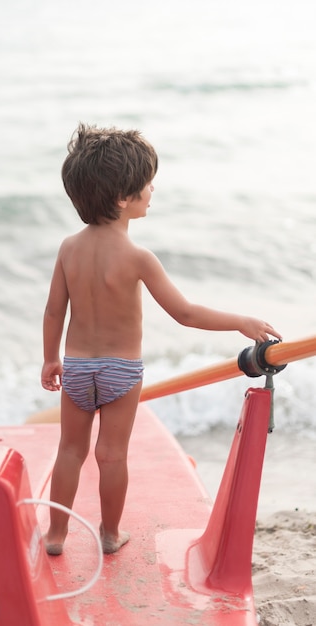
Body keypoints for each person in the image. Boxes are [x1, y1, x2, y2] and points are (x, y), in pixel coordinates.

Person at [41, 123, 281, 556]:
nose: (152, 189)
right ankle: (110, 534)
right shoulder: (137, 258)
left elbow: (55, 310)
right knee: (112, 455)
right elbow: (185, 313)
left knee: (70, 451)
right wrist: (240, 322)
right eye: (146, 183)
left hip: (75, 367)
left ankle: (56, 536)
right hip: (120, 370)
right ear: (122, 198)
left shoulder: (67, 249)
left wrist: (49, 359)